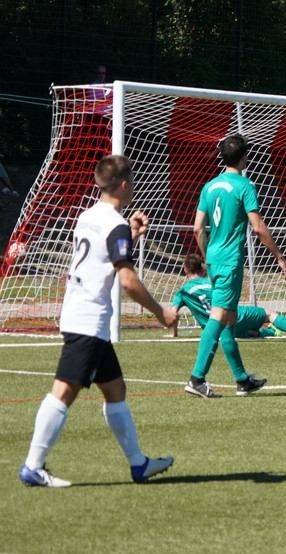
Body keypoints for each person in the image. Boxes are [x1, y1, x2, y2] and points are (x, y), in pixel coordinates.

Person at [19, 155, 178, 487]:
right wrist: (161, 312)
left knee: (115, 389)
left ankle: (138, 464)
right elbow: (128, 281)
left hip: (79, 314)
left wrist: (131, 234)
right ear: (124, 184)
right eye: (133, 181)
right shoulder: (115, 224)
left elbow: (103, 255)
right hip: (89, 321)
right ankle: (33, 466)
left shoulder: (87, 216)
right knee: (63, 391)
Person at [186, 134, 286, 399]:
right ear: (244, 157)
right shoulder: (245, 185)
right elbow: (258, 227)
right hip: (230, 260)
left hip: (215, 259)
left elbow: (197, 228)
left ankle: (242, 381)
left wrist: (207, 255)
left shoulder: (209, 186)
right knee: (219, 317)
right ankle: (197, 378)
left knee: (229, 321)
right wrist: (279, 256)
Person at [171, 252, 286, 341]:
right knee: (268, 314)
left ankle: (271, 332)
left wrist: (174, 334)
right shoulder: (213, 282)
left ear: (185, 270)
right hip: (234, 316)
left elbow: (173, 314)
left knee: (244, 332)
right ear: (202, 270)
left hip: (216, 331)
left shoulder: (182, 292)